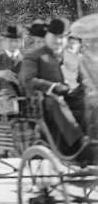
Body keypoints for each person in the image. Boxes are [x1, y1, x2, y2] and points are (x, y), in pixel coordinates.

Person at [20, 18, 87, 158]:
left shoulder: (72, 57)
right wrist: (52, 87)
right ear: (47, 36)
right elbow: (27, 80)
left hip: (70, 96)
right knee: (56, 101)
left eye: (61, 38)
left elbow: (83, 79)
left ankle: (92, 139)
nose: (57, 41)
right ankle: (77, 142)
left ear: (66, 38)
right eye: (54, 37)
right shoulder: (35, 57)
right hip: (44, 102)